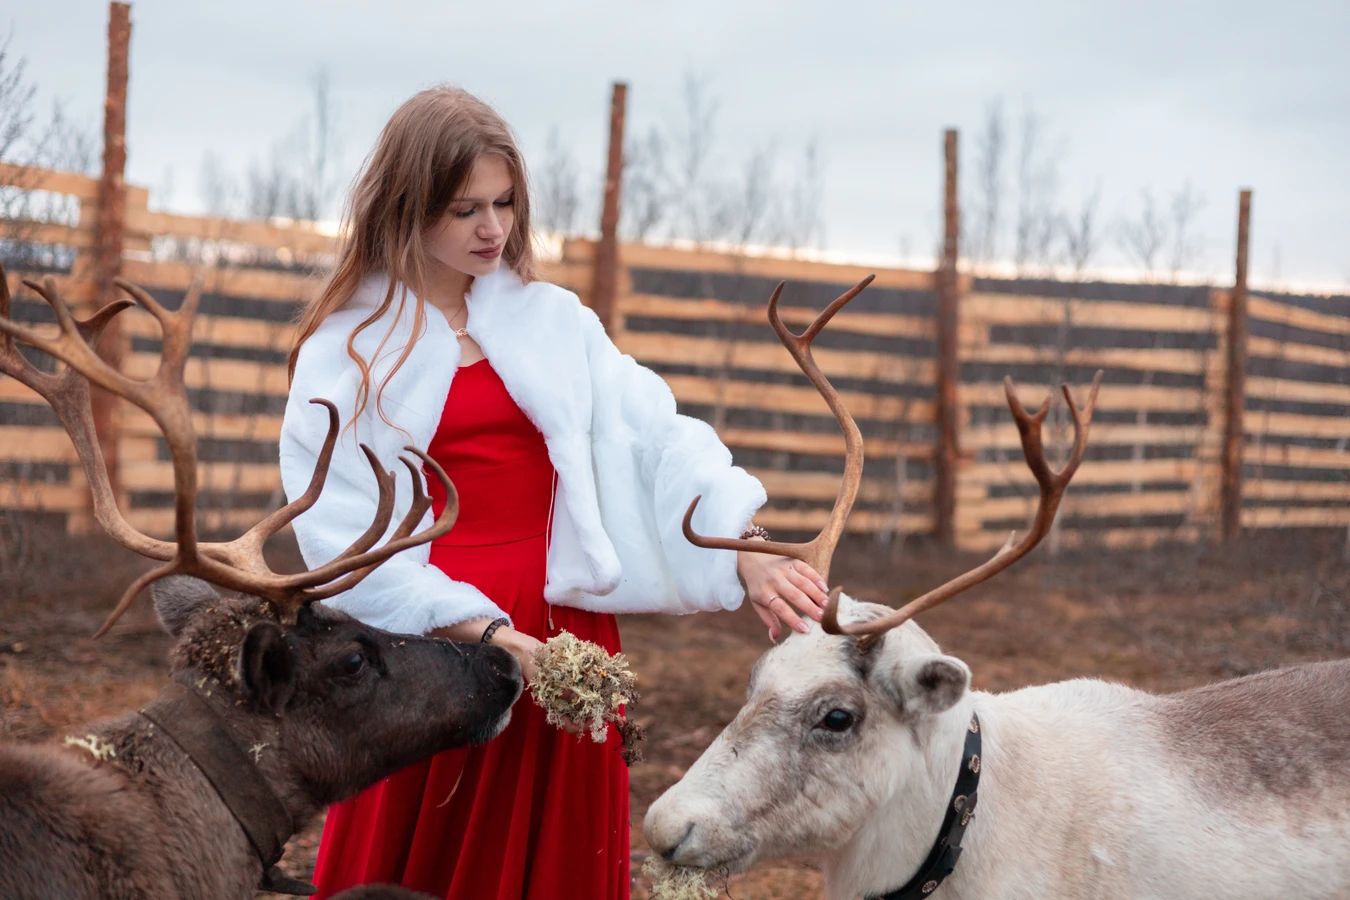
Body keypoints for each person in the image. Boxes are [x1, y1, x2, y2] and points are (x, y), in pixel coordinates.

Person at [279, 85, 831, 900]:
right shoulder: (348, 352)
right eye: (466, 209)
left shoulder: (551, 323)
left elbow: (651, 432)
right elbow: (344, 537)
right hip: (429, 644)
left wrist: (741, 547)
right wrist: (492, 638)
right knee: (427, 848)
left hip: (564, 632)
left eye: (505, 203)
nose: (494, 228)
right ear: (408, 206)